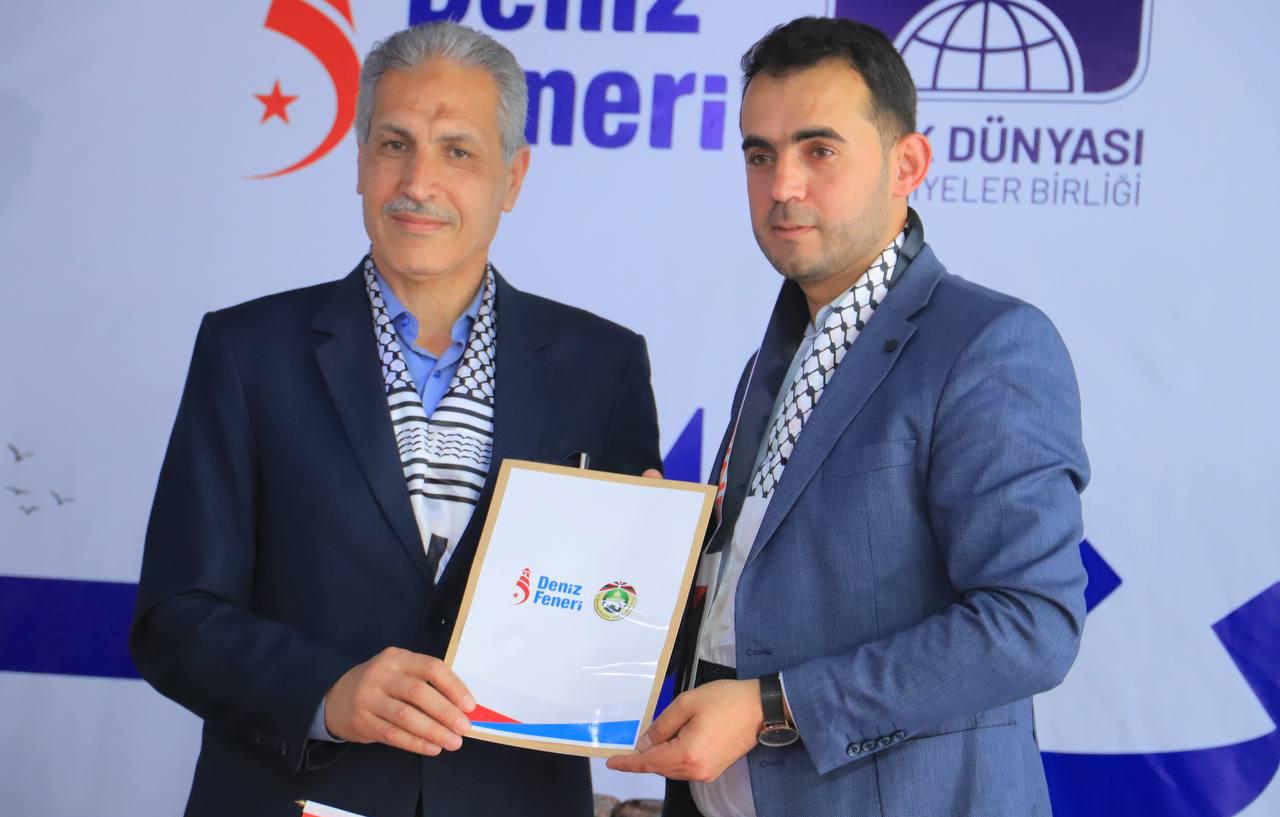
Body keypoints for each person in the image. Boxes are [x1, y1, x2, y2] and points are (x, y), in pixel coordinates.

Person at [130, 21, 661, 817]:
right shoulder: (248, 352)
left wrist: (656, 585)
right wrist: (327, 691)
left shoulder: (602, 367)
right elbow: (175, 617)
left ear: (512, 177)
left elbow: (614, 625)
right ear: (359, 161)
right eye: (394, 144)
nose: (418, 181)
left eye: (458, 151)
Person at [608, 16, 1089, 817]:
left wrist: (773, 705)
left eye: (819, 150)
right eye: (759, 155)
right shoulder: (777, 356)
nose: (782, 186)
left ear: (908, 164)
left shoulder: (988, 343)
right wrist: (672, 567)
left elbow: (1031, 623)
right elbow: (777, 593)